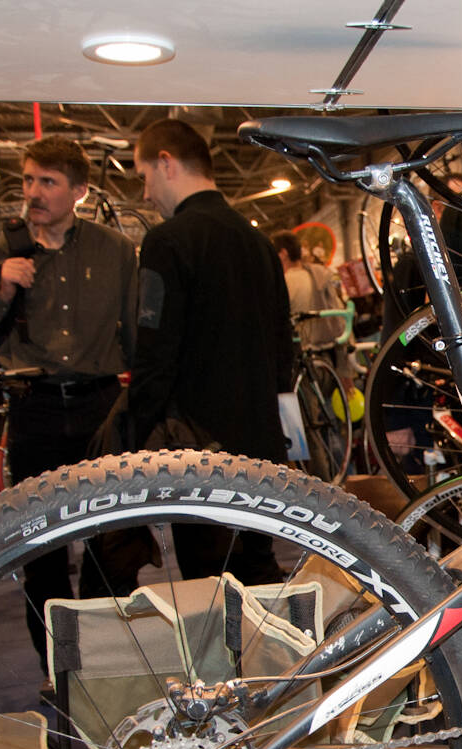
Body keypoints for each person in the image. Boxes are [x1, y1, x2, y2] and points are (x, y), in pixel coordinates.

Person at [0, 134, 138, 659]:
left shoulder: (114, 250)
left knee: (112, 543)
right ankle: (56, 669)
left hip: (100, 407)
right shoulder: (5, 248)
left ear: (78, 191)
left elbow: (136, 335)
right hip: (33, 409)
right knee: (42, 549)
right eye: (29, 180)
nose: (33, 192)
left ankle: (107, 663)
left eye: (48, 182)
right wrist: (3, 288)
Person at [129, 117, 292, 582]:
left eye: (144, 176)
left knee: (209, 584)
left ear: (166, 164)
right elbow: (284, 347)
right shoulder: (259, 242)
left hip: (199, 450)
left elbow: (155, 350)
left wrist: (134, 435)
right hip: (260, 447)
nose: (146, 193)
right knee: (258, 576)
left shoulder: (166, 241)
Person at [271, 228, 352, 387]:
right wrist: (345, 369)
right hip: (331, 358)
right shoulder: (320, 275)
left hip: (302, 363)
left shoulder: (284, 283)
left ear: (283, 254)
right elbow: (340, 321)